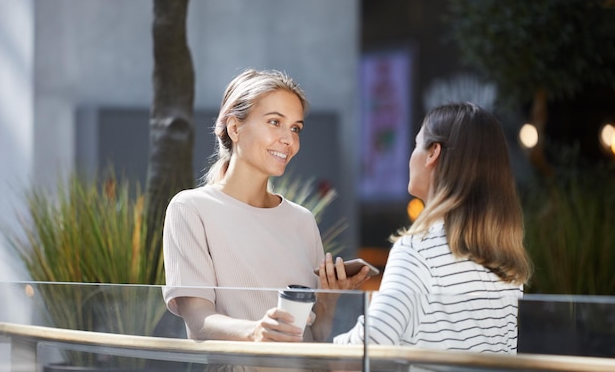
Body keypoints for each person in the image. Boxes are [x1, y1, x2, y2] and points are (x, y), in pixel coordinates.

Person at [162, 68, 369, 343]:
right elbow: (198, 323)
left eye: (295, 128)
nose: (289, 140)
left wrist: (328, 299)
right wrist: (255, 331)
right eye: (275, 122)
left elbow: (316, 336)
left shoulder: (302, 220)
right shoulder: (191, 209)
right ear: (235, 127)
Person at [332, 102, 532, 353]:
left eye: (417, 144)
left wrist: (314, 332)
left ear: (433, 152)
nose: (411, 156)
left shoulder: (418, 250)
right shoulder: (506, 263)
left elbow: (367, 348)